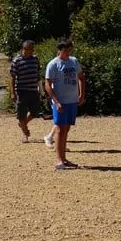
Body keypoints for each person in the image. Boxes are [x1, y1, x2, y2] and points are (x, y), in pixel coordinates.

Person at [44, 38, 85, 170]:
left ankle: (64, 158)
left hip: (72, 101)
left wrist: (81, 95)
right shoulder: (53, 64)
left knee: (66, 129)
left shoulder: (74, 61)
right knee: (60, 130)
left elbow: (81, 78)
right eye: (66, 50)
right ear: (60, 50)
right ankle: (59, 160)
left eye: (70, 50)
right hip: (60, 102)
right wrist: (56, 102)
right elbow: (47, 84)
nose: (68, 52)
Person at [9, 40, 42, 142]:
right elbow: (12, 78)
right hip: (21, 91)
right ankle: (25, 133)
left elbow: (37, 74)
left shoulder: (35, 59)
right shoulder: (16, 61)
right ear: (23, 49)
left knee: (35, 112)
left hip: (33, 90)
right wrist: (13, 93)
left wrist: (41, 89)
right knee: (21, 113)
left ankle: (23, 124)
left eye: (32, 49)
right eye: (29, 49)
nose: (31, 51)